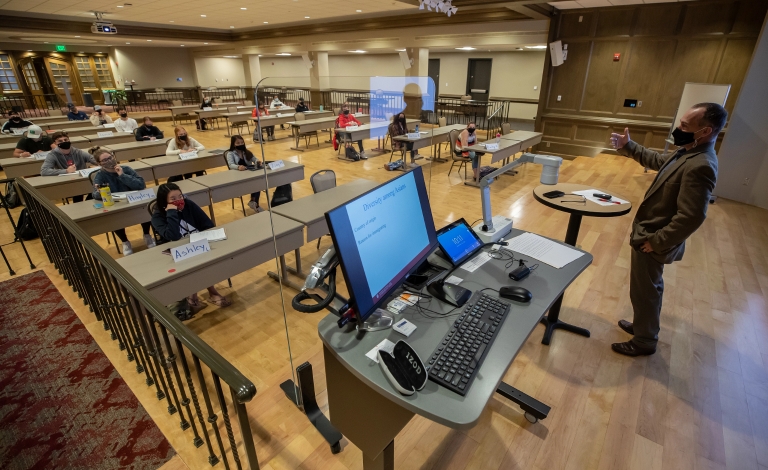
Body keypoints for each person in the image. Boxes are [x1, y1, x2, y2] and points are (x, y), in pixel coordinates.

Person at [609, 103, 726, 357]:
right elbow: (657, 160)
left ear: (705, 131)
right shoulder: (687, 151)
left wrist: (657, 241)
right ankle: (643, 327)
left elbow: (692, 216)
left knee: (647, 291)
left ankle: (644, 341)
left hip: (653, 240)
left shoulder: (701, 165)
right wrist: (628, 146)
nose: (678, 129)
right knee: (643, 289)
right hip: (648, 235)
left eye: (685, 126)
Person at [151, 182, 231, 312]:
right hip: (174, 251)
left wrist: (204, 238)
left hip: (197, 244)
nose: (179, 200)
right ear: (164, 201)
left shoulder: (189, 205)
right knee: (193, 261)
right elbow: (173, 236)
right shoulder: (158, 217)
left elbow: (207, 224)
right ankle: (202, 292)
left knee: (204, 258)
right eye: (173, 199)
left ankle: (204, 293)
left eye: (180, 196)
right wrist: (172, 212)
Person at [89, 147, 155, 256]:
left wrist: (122, 175)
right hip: (116, 204)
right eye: (105, 160)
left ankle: (147, 234)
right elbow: (95, 195)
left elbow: (141, 185)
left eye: (110, 158)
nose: (109, 161)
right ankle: (125, 241)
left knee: (145, 207)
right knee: (114, 217)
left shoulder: (126, 169)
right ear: (99, 163)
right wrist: (101, 191)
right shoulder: (100, 176)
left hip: (134, 201)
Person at [41, 131, 98, 202]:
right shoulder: (52, 155)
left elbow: (92, 159)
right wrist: (66, 171)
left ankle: (87, 202)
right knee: (78, 192)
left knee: (97, 186)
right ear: (55, 143)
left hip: (82, 180)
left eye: (66, 140)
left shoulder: (78, 151)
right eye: (60, 141)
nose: (64, 142)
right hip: (67, 182)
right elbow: (44, 171)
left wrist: (101, 160)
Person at [225, 135, 265, 213]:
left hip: (249, 172)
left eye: (242, 142)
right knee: (255, 182)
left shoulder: (247, 152)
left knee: (258, 180)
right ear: (233, 144)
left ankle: (253, 202)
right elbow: (231, 165)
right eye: (238, 143)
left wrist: (257, 161)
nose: (240, 144)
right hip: (238, 175)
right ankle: (254, 203)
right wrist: (238, 167)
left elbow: (254, 158)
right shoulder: (230, 153)